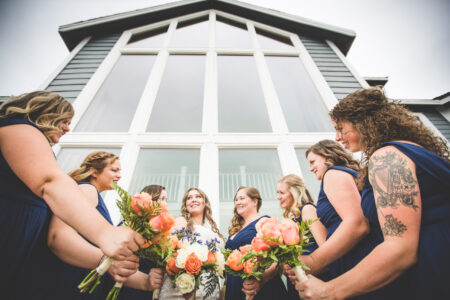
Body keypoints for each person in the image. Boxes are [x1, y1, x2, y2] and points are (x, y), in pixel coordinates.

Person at [297, 87, 450, 299]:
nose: (338, 137)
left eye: (341, 128)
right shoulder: (411, 149)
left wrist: (328, 290)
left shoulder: (386, 157)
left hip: (434, 266)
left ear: (364, 121)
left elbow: (400, 248)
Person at [0, 91, 144, 300]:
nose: (68, 128)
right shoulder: (19, 128)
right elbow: (49, 182)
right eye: (64, 121)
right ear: (46, 112)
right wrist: (105, 233)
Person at [41, 152, 163, 299]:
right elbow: (58, 237)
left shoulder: (95, 196)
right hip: (70, 281)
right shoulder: (87, 189)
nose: (119, 175)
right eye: (114, 170)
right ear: (94, 171)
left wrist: (146, 282)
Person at [160, 187, 225, 300]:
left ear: (205, 203)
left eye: (198, 197)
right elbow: (168, 255)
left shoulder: (213, 232)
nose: (194, 200)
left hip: (209, 293)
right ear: (186, 205)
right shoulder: (181, 222)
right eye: (189, 198)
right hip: (181, 292)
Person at [225, 186, 287, 300]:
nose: (238, 202)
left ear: (255, 201)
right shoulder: (234, 229)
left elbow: (277, 257)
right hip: (234, 286)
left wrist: (262, 280)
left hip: (260, 285)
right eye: (236, 200)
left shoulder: (264, 222)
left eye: (242, 198)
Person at [277, 174, 327, 300]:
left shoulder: (308, 209)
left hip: (316, 277)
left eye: (282, 192)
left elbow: (326, 247)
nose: (278, 197)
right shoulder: (289, 219)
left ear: (294, 192)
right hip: (296, 282)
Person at [118, 184, 168, 300]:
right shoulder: (130, 224)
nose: (166, 204)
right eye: (162, 199)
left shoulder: (159, 231)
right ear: (152, 199)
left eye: (166, 200)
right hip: (126, 287)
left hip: (147, 291)